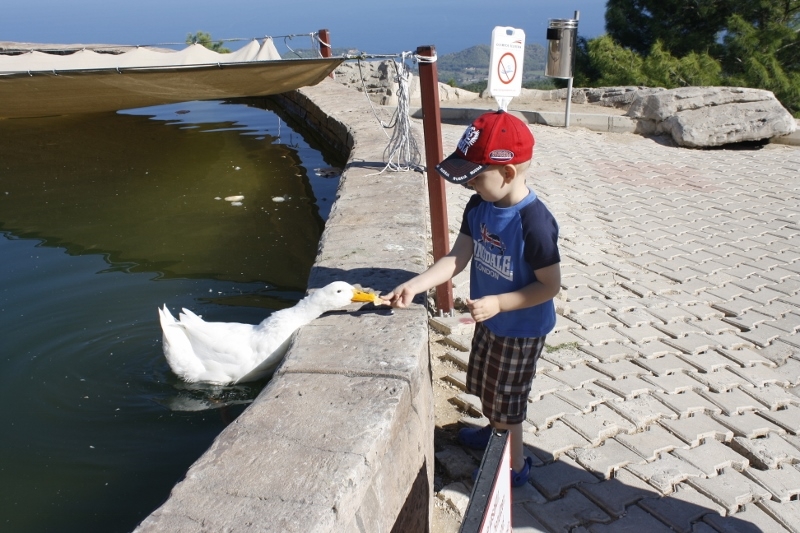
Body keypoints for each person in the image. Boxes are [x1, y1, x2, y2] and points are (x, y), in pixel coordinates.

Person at [385, 110, 561, 487]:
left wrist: (500, 303)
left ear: (509, 172)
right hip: (491, 321)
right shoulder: (479, 206)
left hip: (522, 328)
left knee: (509, 402)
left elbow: (549, 286)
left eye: (476, 178)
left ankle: (514, 468)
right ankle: (492, 429)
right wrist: (417, 285)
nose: (470, 186)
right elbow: (457, 257)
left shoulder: (534, 223)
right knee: (486, 383)